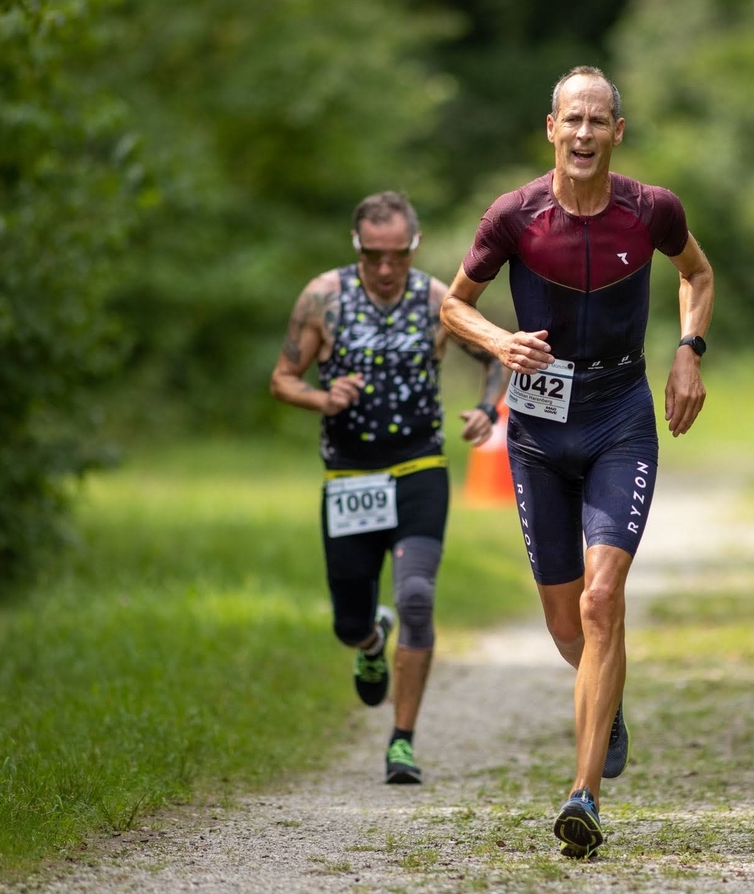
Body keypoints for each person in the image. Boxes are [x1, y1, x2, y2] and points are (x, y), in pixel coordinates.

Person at [440, 66, 714, 857]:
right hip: (536, 428)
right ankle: (609, 695)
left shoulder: (651, 209)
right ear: (551, 128)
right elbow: (455, 302)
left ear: (617, 132)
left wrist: (689, 351)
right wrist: (497, 340)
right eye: (573, 120)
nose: (586, 133)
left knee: (602, 601)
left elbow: (697, 272)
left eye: (600, 120)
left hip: (619, 417)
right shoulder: (514, 216)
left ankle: (583, 795)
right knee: (569, 625)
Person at [270, 191, 507, 785]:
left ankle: (402, 741)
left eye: (397, 255)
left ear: (414, 247)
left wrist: (486, 411)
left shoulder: (436, 300)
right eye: (374, 255)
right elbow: (282, 379)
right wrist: (323, 398)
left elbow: (497, 355)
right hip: (350, 476)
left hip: (419, 470)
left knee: (419, 597)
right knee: (348, 624)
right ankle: (371, 640)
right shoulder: (323, 297)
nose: (384, 268)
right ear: (358, 247)